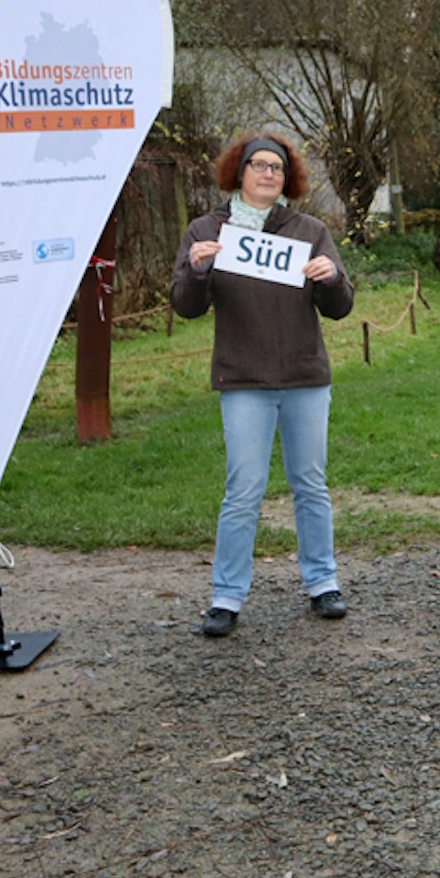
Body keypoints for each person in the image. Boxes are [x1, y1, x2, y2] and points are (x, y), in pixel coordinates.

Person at [172, 131, 354, 638]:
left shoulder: (310, 230)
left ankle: (323, 583)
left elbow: (340, 307)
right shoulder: (206, 230)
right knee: (243, 490)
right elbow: (186, 306)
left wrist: (332, 278)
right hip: (243, 379)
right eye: (259, 165)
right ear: (239, 171)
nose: (269, 174)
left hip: (304, 376)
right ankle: (226, 596)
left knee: (310, 484)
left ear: (287, 177)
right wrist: (197, 271)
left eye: (277, 167)